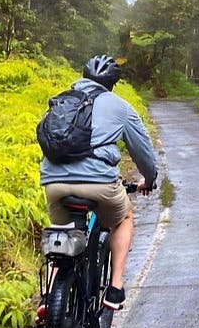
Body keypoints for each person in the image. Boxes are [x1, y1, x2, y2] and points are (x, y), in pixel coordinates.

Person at [39, 54, 159, 310]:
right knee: (124, 217)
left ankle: (49, 299)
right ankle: (115, 289)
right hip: (99, 184)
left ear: (83, 77)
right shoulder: (120, 107)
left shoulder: (61, 101)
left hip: (54, 183)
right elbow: (144, 154)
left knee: (62, 233)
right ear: (112, 85)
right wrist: (149, 180)